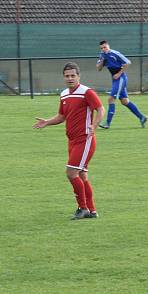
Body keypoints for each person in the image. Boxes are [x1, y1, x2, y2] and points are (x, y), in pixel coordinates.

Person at [33, 62, 105, 220]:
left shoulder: (87, 92)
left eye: (73, 75)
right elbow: (62, 116)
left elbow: (100, 109)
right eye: (67, 76)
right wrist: (46, 122)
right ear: (63, 77)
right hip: (71, 141)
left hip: (85, 139)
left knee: (71, 173)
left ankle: (83, 208)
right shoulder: (64, 94)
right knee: (82, 175)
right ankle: (92, 211)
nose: (70, 78)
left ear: (79, 76)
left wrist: (94, 125)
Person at [95, 40, 147, 129]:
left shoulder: (115, 53)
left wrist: (119, 73)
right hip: (115, 79)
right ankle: (142, 117)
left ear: (108, 46)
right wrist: (101, 62)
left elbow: (127, 62)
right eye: (102, 48)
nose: (103, 49)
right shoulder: (102, 55)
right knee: (125, 101)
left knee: (111, 99)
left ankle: (107, 123)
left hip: (121, 78)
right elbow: (98, 68)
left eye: (105, 47)